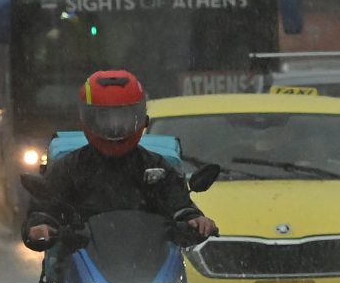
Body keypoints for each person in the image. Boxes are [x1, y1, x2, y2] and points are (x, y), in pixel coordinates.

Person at [21, 69, 216, 251]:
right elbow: (44, 207)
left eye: (122, 119)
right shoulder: (69, 167)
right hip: (84, 267)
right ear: (87, 120)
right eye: (105, 119)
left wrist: (195, 220)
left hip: (148, 263)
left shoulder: (156, 167)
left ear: (141, 120)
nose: (115, 129)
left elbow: (179, 203)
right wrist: (40, 226)